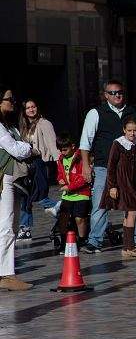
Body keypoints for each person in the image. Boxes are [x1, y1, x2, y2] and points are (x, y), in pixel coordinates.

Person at [79, 80, 136, 254]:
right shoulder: (96, 113)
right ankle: (95, 241)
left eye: (119, 92)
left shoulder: (134, 111)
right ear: (106, 95)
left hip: (132, 168)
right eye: (112, 93)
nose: (117, 95)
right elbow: (85, 142)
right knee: (100, 204)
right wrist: (86, 166)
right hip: (105, 166)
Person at [100, 115, 136, 259]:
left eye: (135, 130)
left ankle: (127, 247)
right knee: (133, 211)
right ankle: (130, 246)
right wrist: (112, 186)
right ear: (124, 130)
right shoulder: (118, 143)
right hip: (122, 182)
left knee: (129, 213)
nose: (132, 133)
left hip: (133, 181)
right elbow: (111, 166)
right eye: (129, 130)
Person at [0, 87, 36, 290]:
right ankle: (6, 274)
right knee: (6, 225)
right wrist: (30, 148)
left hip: (12, 178)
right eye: (10, 99)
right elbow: (16, 148)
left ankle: (6, 272)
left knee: (12, 226)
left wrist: (24, 146)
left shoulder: (8, 124)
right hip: (4, 178)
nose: (13, 102)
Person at [16, 99, 58, 242]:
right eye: (28, 108)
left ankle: (65, 214)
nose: (31, 109)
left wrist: (60, 163)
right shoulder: (23, 126)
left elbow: (52, 145)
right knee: (24, 196)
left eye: (33, 106)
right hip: (27, 165)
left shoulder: (44, 123)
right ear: (24, 111)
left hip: (40, 163)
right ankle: (24, 228)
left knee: (40, 196)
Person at [55, 134, 91, 242]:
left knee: (80, 218)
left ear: (73, 146)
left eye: (65, 149)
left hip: (81, 193)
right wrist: (60, 179)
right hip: (67, 195)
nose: (62, 152)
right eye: (60, 150)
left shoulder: (80, 158)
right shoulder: (61, 159)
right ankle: (63, 241)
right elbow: (60, 173)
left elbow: (83, 178)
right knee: (63, 217)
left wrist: (69, 187)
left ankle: (82, 239)